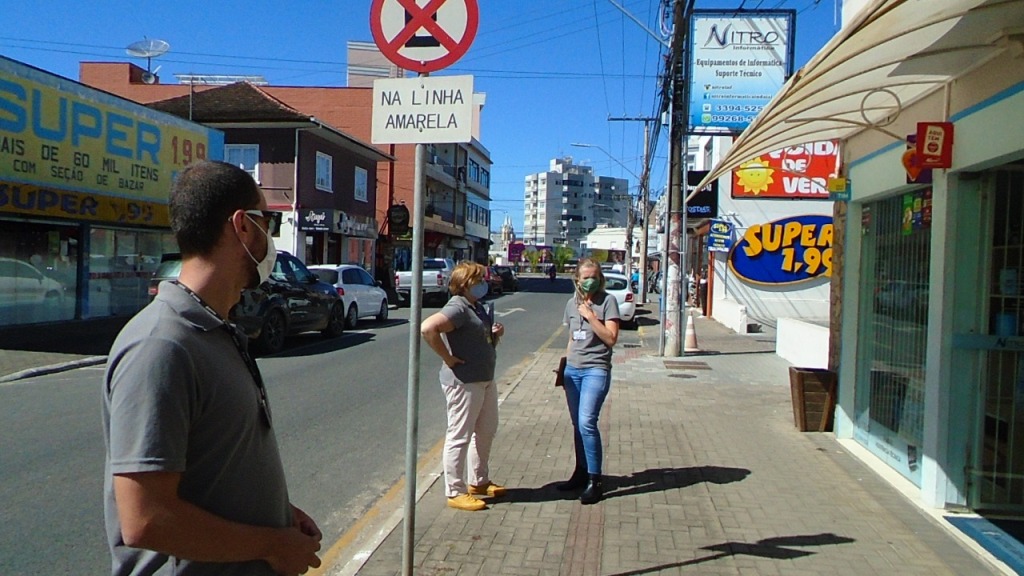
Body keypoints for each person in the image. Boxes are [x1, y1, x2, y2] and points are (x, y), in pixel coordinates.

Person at [102, 161, 322, 575]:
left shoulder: (217, 327)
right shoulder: (161, 346)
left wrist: (277, 514)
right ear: (242, 226)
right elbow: (145, 519)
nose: (271, 237)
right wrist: (274, 545)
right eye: (267, 221)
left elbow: (215, 468)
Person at [421, 261, 507, 511]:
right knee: (459, 435)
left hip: (484, 378)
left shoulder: (475, 307)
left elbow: (478, 336)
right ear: (466, 283)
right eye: (479, 279)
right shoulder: (457, 306)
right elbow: (429, 329)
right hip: (464, 381)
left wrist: (495, 334)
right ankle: (455, 490)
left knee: (486, 430)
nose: (484, 283)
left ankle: (479, 481)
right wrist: (448, 359)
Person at [557, 258, 620, 504]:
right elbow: (572, 338)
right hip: (573, 370)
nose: (590, 280)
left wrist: (592, 317)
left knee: (587, 422)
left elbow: (611, 338)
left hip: (596, 369)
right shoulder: (571, 304)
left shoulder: (608, 302)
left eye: (594, 276)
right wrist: (563, 366)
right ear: (578, 280)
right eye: (585, 277)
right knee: (577, 424)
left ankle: (596, 480)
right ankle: (580, 472)